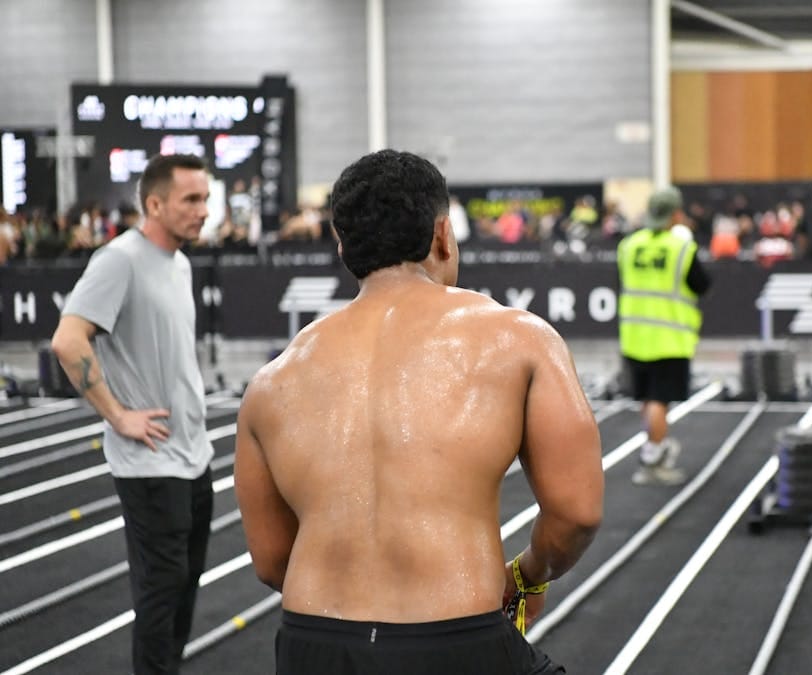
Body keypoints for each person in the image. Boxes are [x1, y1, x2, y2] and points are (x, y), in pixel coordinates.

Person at [234, 149, 604, 674]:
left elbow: (272, 561)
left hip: (312, 644)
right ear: (442, 236)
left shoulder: (272, 381)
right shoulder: (520, 339)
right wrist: (525, 575)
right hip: (454, 640)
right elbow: (576, 513)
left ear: (344, 247)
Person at [50, 153, 214, 674]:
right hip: (149, 464)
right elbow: (67, 340)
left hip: (193, 458)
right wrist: (118, 415)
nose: (203, 210)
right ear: (154, 204)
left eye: (206, 198)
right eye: (191, 199)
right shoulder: (119, 259)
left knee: (183, 597)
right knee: (160, 603)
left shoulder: (181, 264)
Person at [617, 186, 711, 486]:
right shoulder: (681, 247)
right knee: (660, 400)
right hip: (669, 339)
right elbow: (702, 284)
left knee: (648, 399)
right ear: (677, 214)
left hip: (634, 337)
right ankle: (652, 458)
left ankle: (654, 447)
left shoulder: (629, 245)